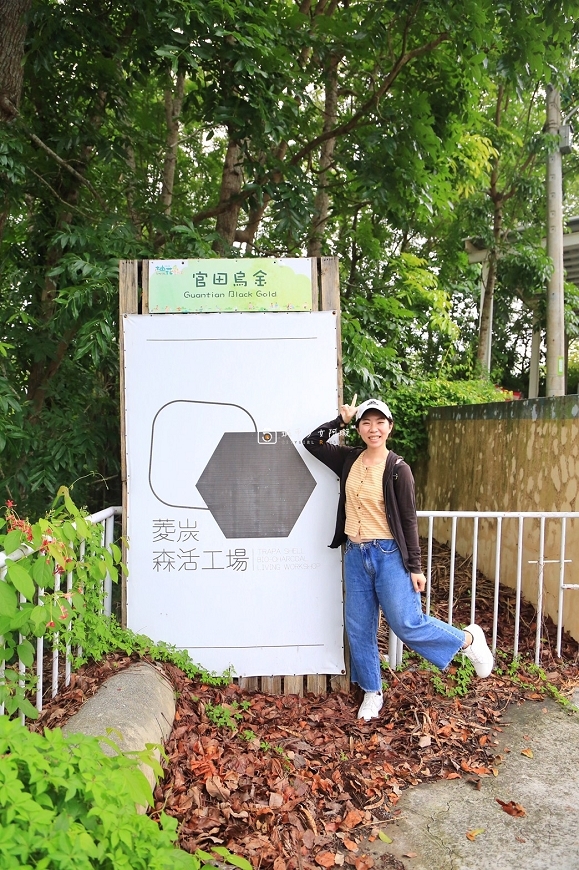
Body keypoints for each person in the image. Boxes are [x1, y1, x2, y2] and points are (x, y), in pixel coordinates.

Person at [303, 396, 494, 721]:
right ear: (359, 428)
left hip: (389, 555)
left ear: (389, 427)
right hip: (355, 555)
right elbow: (312, 443)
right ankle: (372, 692)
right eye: (366, 422)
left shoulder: (398, 469)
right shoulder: (349, 459)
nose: (373, 428)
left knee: (407, 623)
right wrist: (340, 421)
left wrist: (415, 568)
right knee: (359, 628)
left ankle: (468, 639)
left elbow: (408, 520)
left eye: (380, 422)